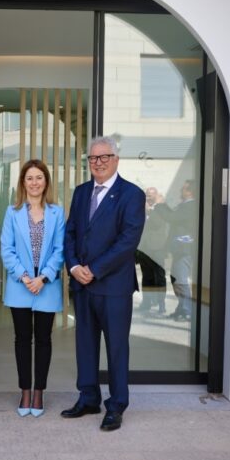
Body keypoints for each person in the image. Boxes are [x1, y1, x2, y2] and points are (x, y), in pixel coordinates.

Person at [61, 136, 145, 432]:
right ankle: (88, 398)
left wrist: (93, 269)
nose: (97, 163)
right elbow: (70, 233)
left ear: (116, 159)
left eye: (104, 157)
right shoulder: (82, 192)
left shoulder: (131, 194)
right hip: (81, 284)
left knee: (117, 347)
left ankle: (117, 405)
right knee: (85, 344)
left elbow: (128, 241)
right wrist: (73, 267)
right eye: (92, 158)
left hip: (113, 286)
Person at [0, 160, 65, 418]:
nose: (35, 182)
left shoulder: (57, 213)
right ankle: (25, 390)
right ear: (23, 183)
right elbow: (7, 248)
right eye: (30, 178)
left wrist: (44, 277)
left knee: (44, 340)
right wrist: (25, 277)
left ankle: (39, 392)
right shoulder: (12, 212)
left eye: (39, 178)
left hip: (47, 287)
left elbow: (61, 249)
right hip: (20, 287)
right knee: (22, 340)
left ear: (46, 182)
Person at [155, 179, 197, 321]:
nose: (181, 191)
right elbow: (173, 217)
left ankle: (187, 311)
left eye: (184, 189)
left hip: (184, 249)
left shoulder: (191, 206)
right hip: (179, 249)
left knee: (180, 280)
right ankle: (181, 308)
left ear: (190, 192)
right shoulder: (185, 205)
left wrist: (160, 204)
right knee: (176, 280)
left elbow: (171, 217)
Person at [136, 186, 168, 315]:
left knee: (159, 277)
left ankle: (161, 304)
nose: (148, 196)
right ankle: (146, 303)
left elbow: (157, 224)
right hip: (144, 248)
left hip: (158, 248)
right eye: (147, 194)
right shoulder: (141, 209)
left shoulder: (161, 208)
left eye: (151, 194)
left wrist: (148, 211)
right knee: (147, 277)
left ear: (156, 195)